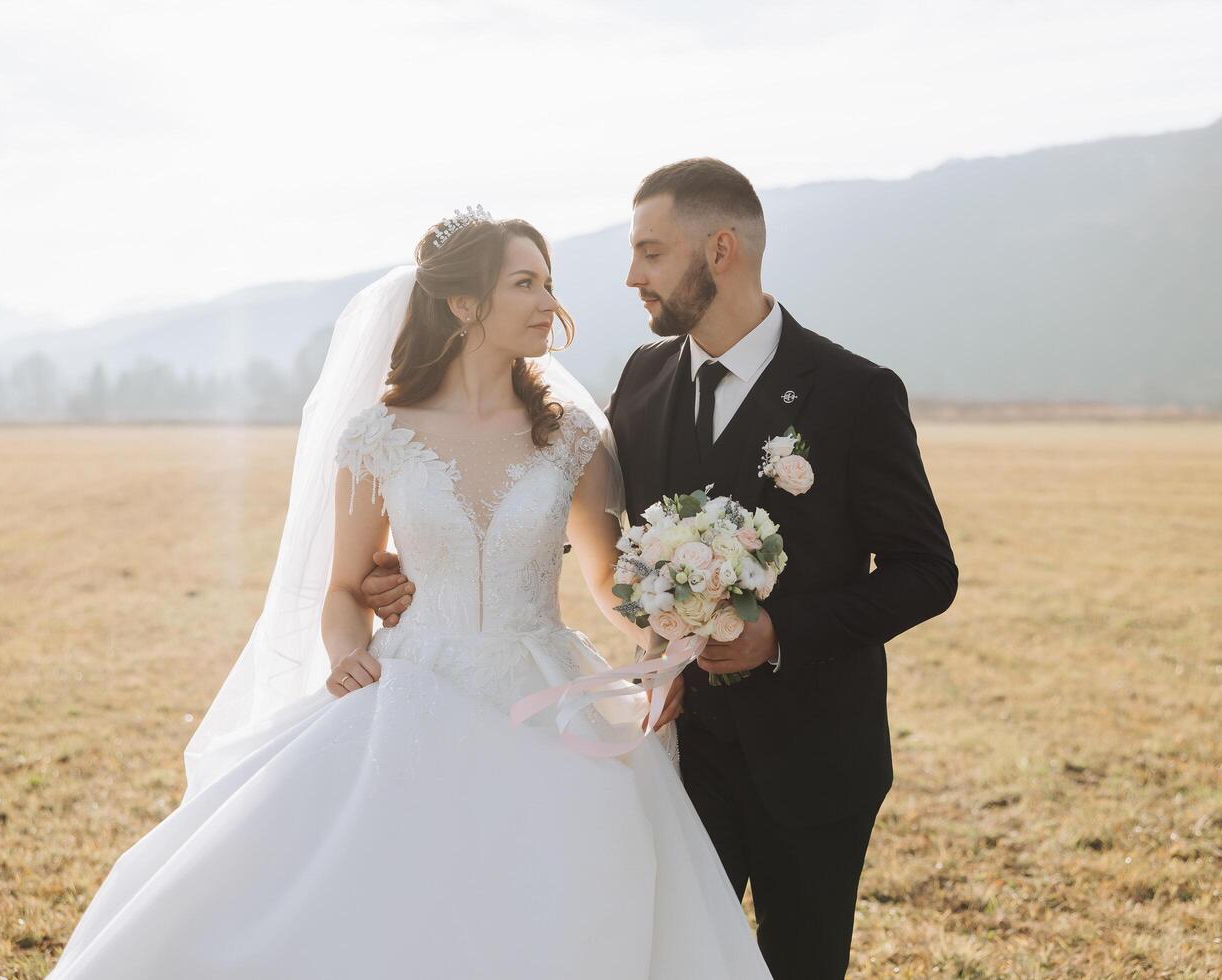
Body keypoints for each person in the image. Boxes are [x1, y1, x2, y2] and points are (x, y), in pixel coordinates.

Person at [45, 209, 772, 978]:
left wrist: (670, 641)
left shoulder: (571, 437)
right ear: (463, 304)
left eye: (549, 283)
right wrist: (346, 654)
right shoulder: (378, 434)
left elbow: (601, 575)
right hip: (414, 689)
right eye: (524, 283)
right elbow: (343, 589)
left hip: (551, 690)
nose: (547, 303)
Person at [366, 160, 959, 979]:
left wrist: (778, 633)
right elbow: (589, 533)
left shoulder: (854, 393)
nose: (630, 276)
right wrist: (428, 562)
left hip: (816, 759)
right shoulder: (641, 384)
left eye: (649, 252)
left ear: (720, 251)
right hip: (675, 753)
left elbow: (927, 571)